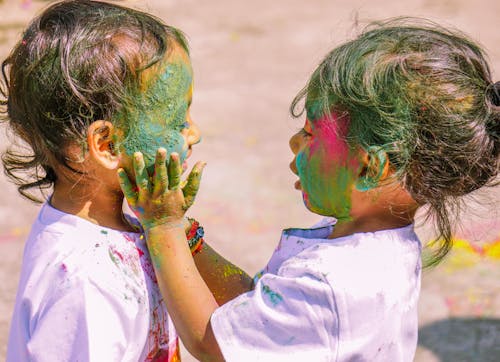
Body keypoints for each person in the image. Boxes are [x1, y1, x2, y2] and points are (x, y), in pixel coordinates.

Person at [118, 19, 500, 361]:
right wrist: (189, 239)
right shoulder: (379, 248)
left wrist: (163, 227)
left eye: (310, 132)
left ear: (369, 166)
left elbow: (212, 341)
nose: (293, 143)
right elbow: (257, 312)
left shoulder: (333, 281)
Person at [1, 1, 251, 361]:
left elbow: (243, 313)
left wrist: (174, 228)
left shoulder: (126, 227)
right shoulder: (86, 280)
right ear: (107, 145)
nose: (194, 133)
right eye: (178, 119)